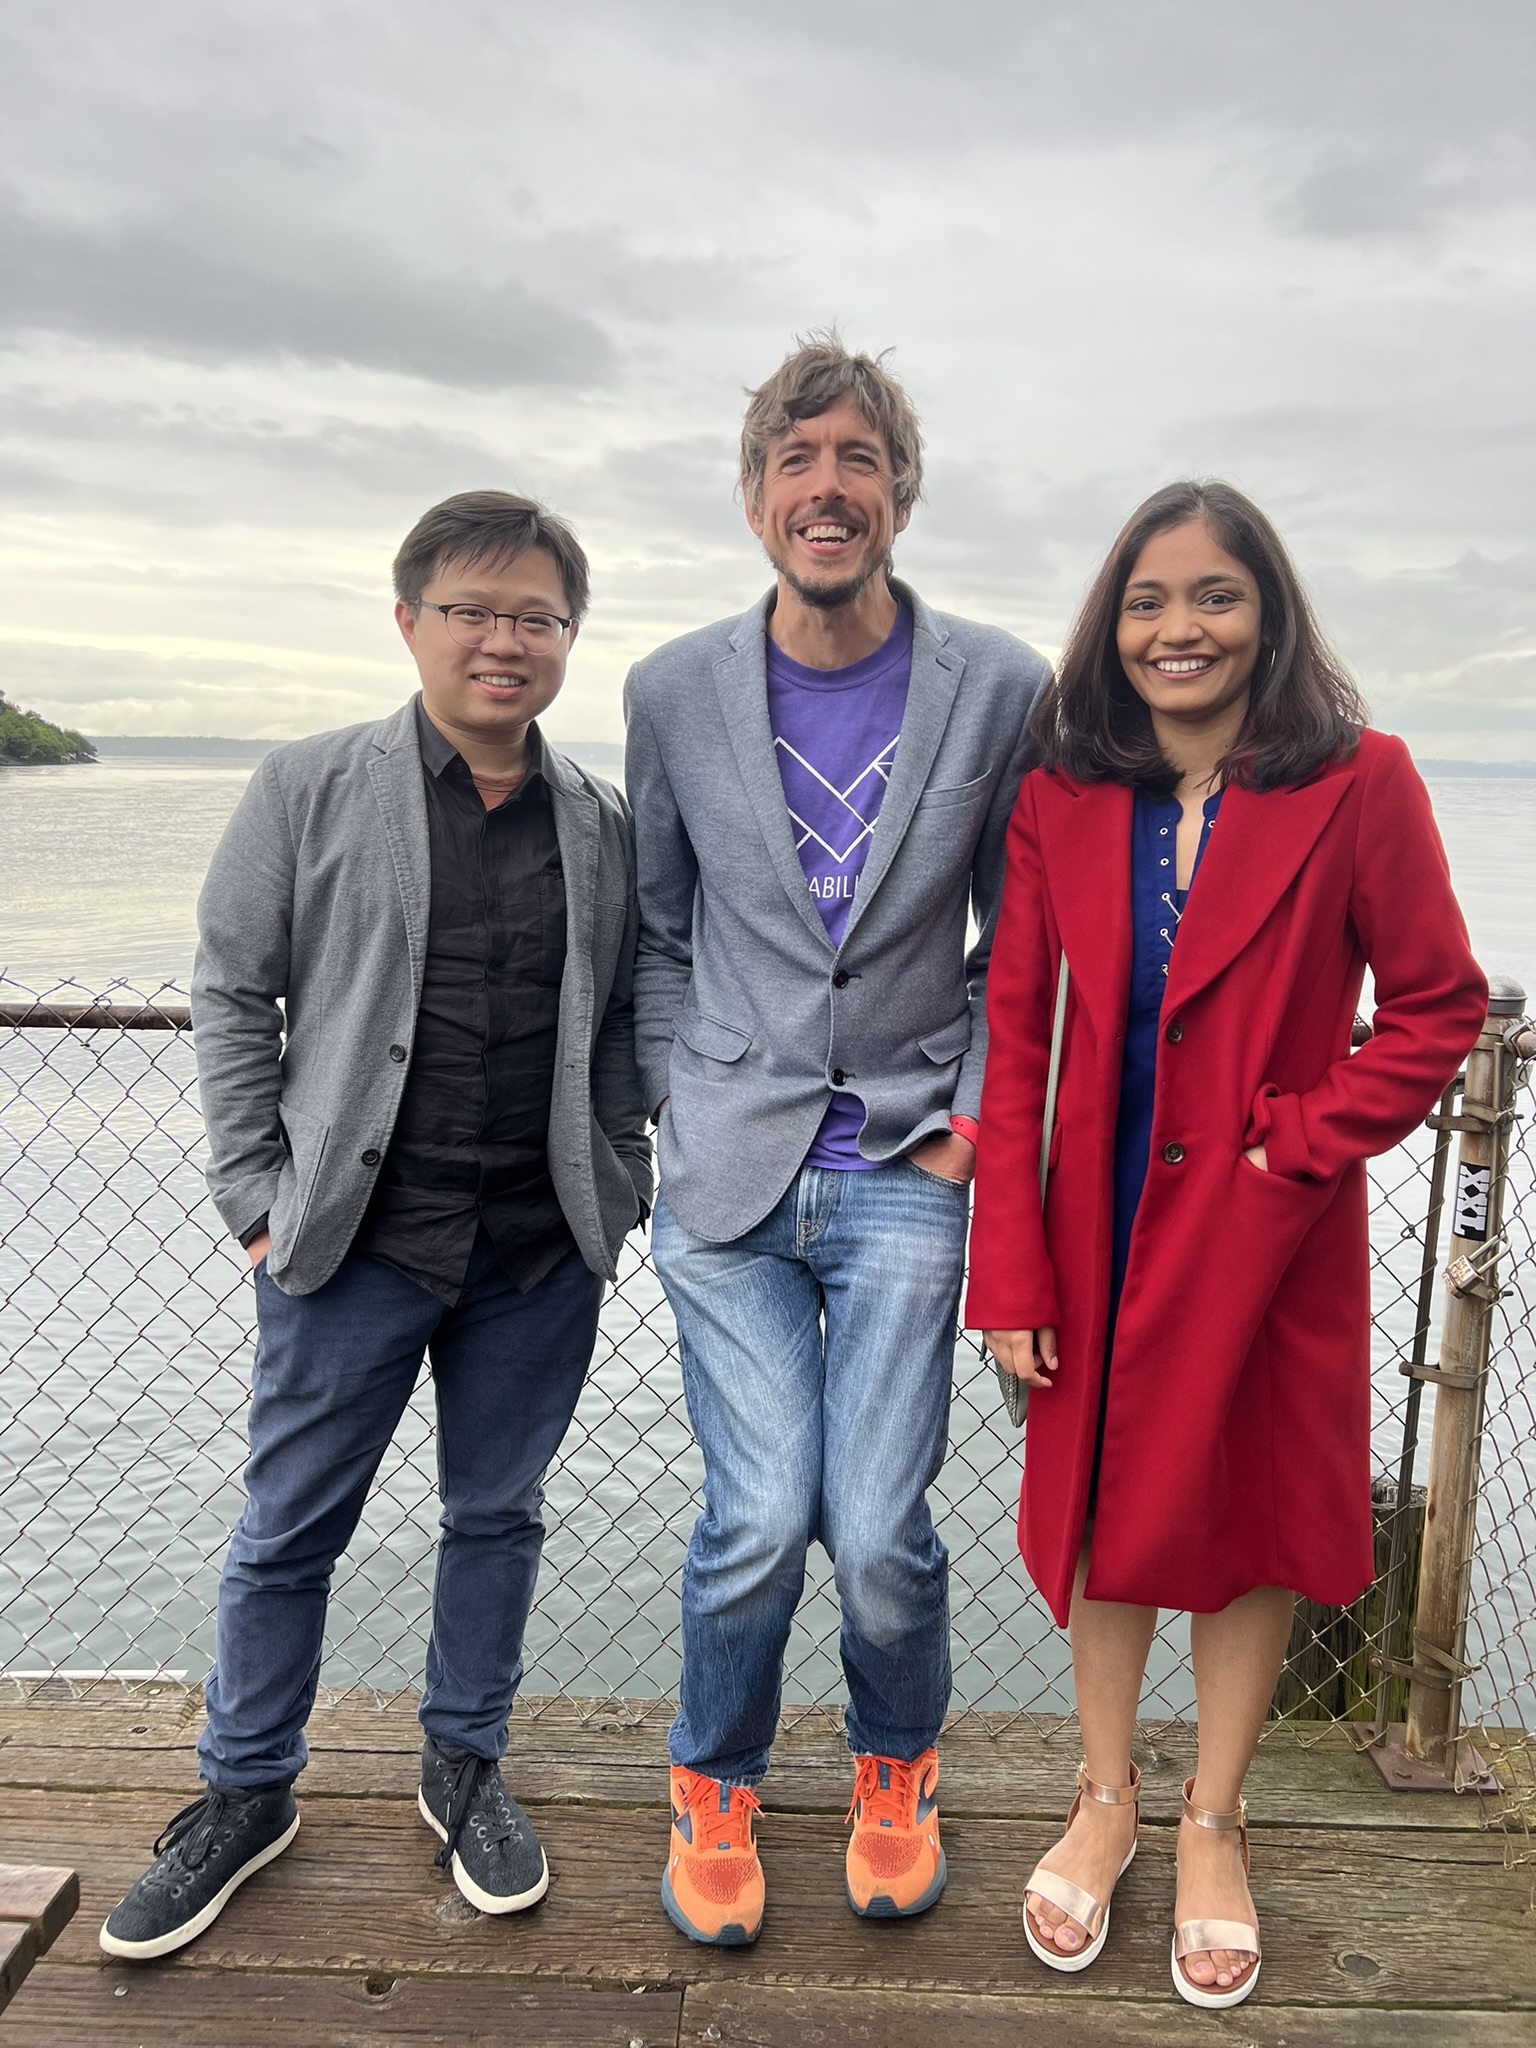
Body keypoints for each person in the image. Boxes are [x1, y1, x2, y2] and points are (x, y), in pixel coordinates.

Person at [100, 490, 651, 1959]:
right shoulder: (309, 785)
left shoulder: (600, 820)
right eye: (472, 609)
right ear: (409, 619)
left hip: (539, 1249)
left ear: (568, 639)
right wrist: (253, 1202)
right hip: (347, 1244)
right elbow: (230, 989)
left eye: (535, 616)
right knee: (288, 1531)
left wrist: (624, 1170)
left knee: (498, 1517)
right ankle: (245, 1791)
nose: (503, 640)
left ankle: (462, 1766)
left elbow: (622, 1022)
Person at [966, 480, 1486, 2009]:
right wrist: (1009, 1265)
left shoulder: (1363, 783)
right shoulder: (1062, 793)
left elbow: (1439, 1008)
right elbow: (1013, 1041)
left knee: (1253, 1517)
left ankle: (1213, 1818)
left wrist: (1297, 1144)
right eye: (1147, 599)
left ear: (1268, 615)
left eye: (1213, 595)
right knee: (1109, 1508)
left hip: (1268, 1237)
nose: (1177, 627)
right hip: (1090, 1226)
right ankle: (1108, 1796)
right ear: (1108, 626)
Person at [624, 334, 1049, 1946]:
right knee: (753, 1520)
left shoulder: (999, 686)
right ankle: (713, 1781)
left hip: (908, 1166)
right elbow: (660, 929)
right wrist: (684, 1086)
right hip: (729, 1173)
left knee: (875, 1530)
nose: (828, 487)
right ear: (753, 500)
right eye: (796, 461)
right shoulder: (668, 690)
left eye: (857, 458)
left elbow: (1027, 943)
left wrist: (976, 1124)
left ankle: (895, 1768)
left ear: (899, 492)